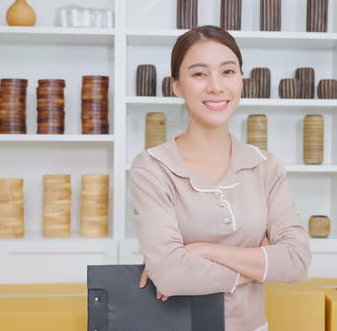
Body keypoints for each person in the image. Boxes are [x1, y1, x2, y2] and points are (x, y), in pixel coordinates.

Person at [129, 25, 311, 331]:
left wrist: (202, 251)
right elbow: (171, 274)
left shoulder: (265, 167)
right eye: (199, 74)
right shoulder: (152, 167)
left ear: (241, 80)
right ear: (176, 86)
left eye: (228, 72)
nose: (216, 86)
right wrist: (259, 262)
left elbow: (297, 261)